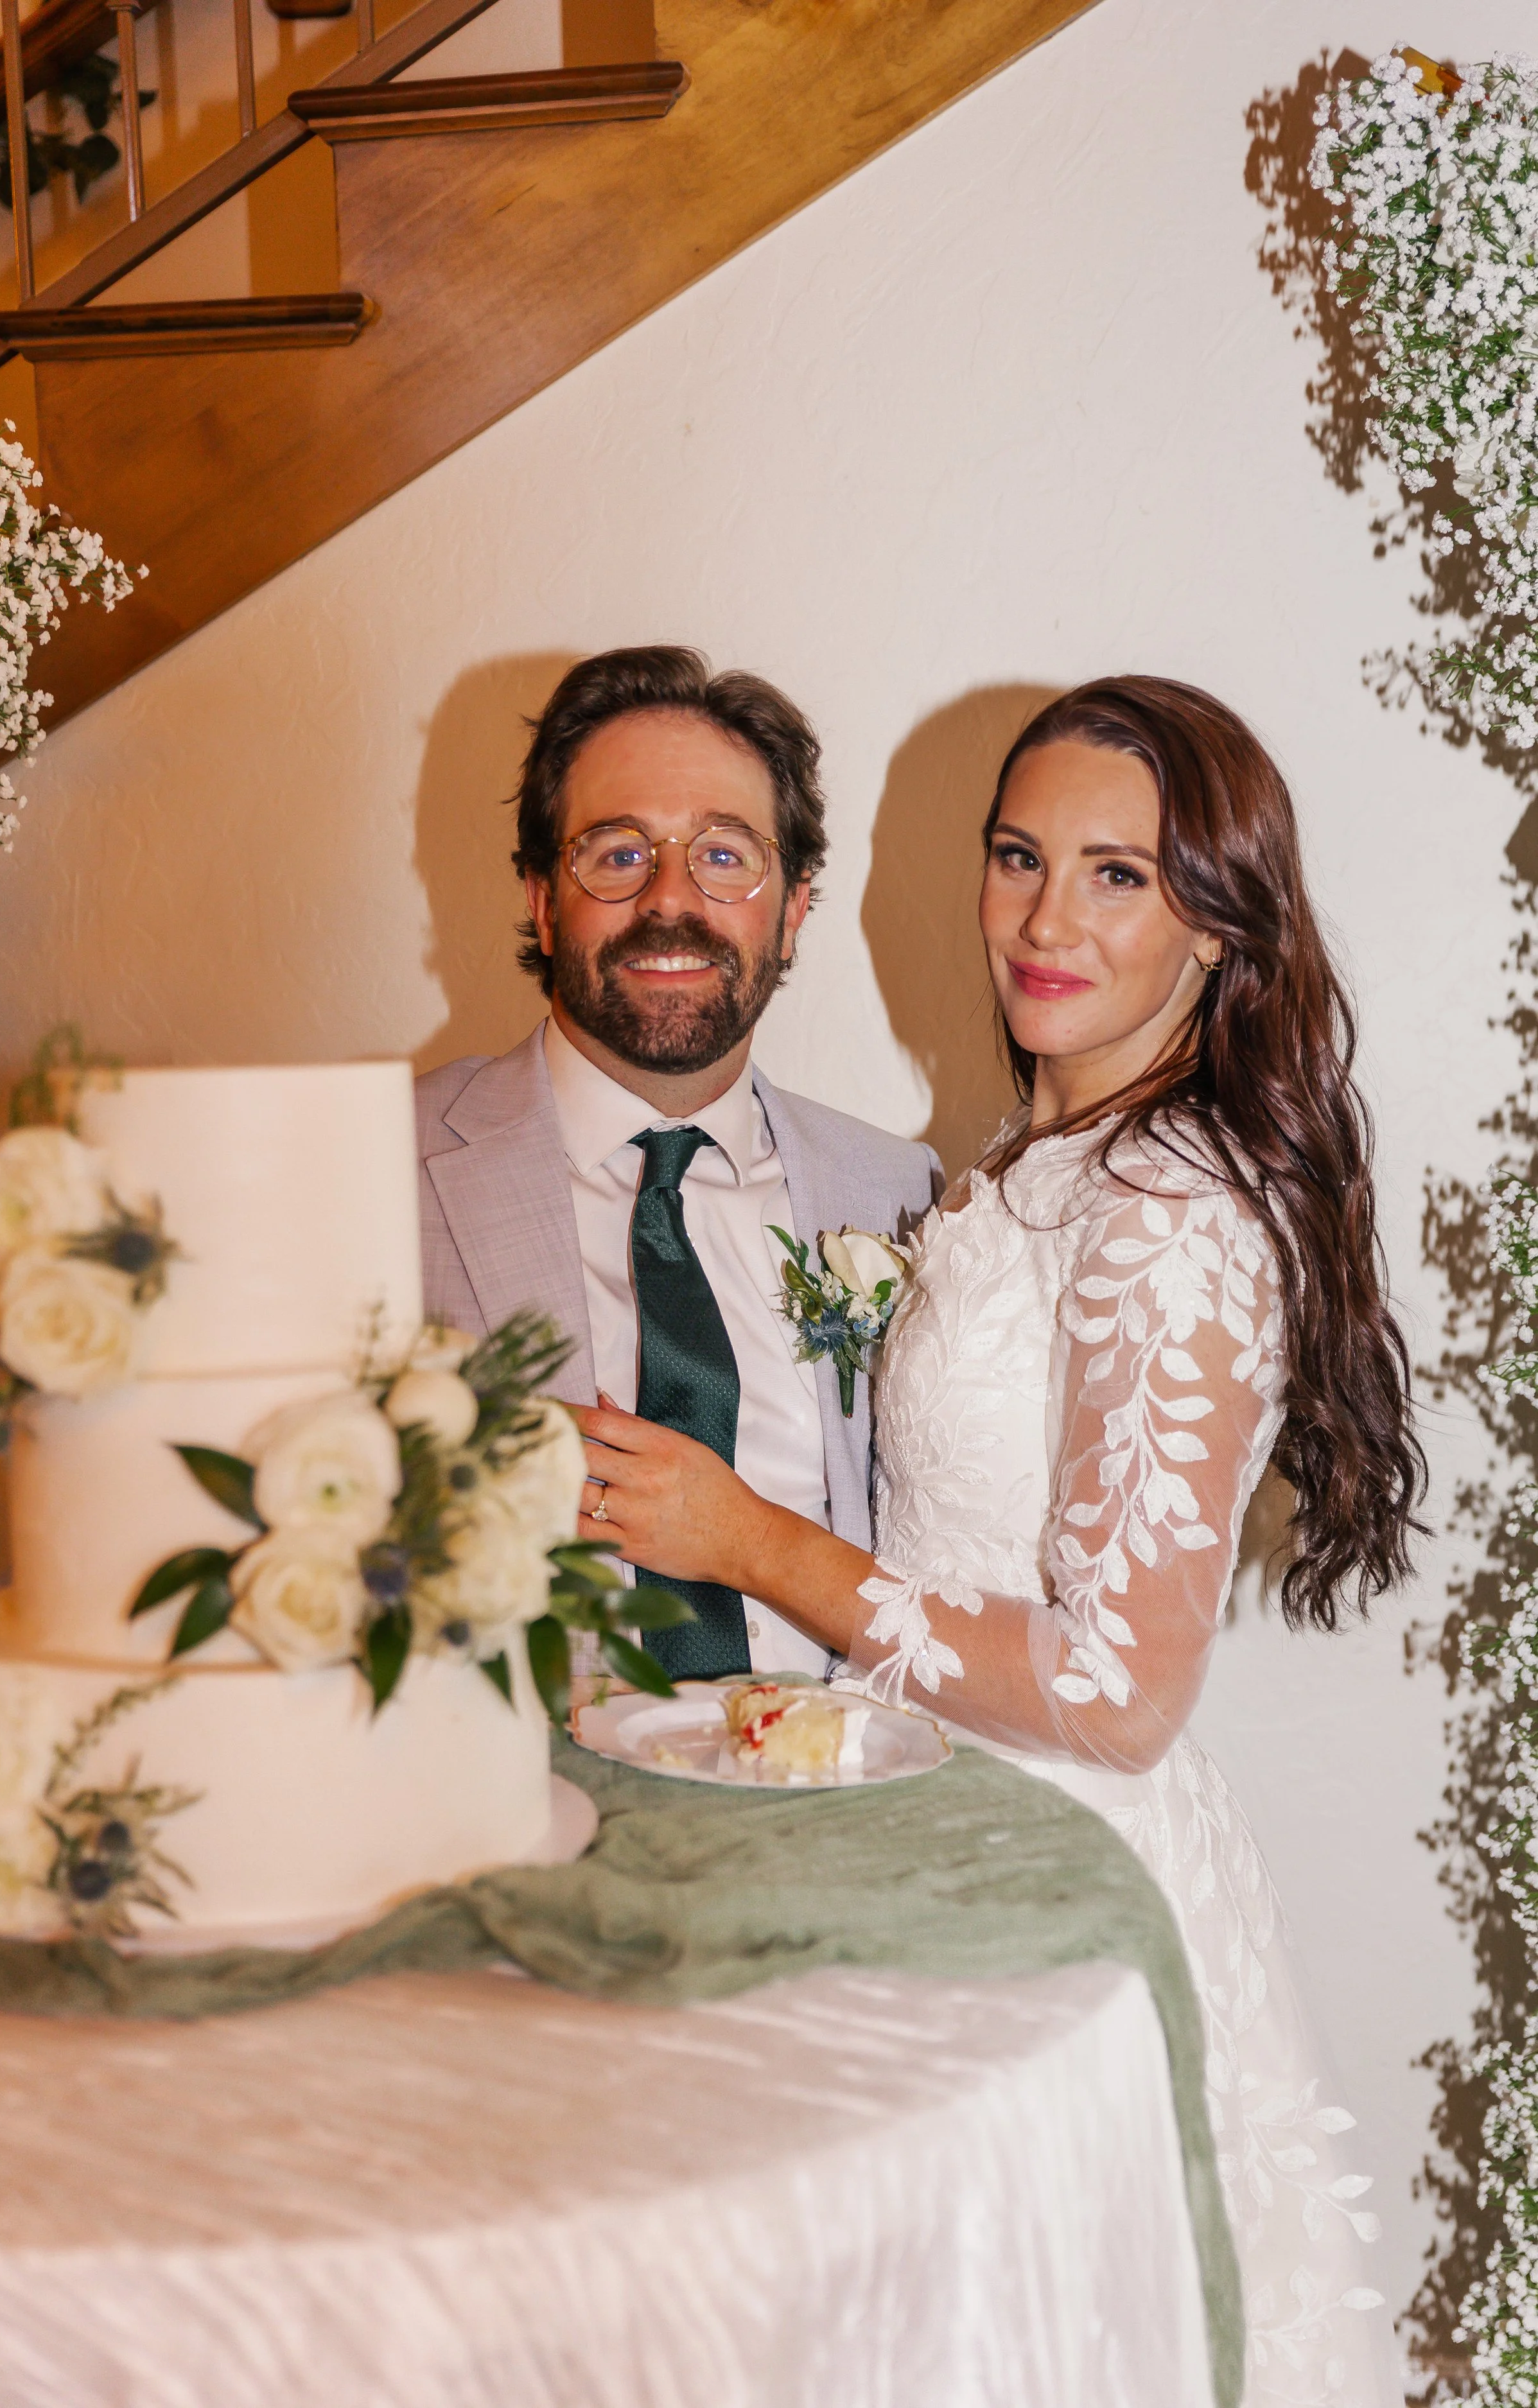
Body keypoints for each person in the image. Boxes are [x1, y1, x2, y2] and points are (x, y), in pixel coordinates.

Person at [572, 674, 1424, 2405]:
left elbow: (1115, 1691)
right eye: (1020, 854)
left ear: (1217, 917)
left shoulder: (1167, 1207)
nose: (1046, 918)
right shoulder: (1064, 1161)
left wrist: (745, 1540)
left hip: (1054, 1874)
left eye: (1121, 873)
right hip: (939, 1838)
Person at [415, 645, 943, 1680]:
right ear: (539, 898)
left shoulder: (903, 1193)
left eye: (725, 856)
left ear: (792, 909)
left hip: (840, 1800)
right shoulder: (380, 1166)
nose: (670, 898)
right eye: (617, 853)